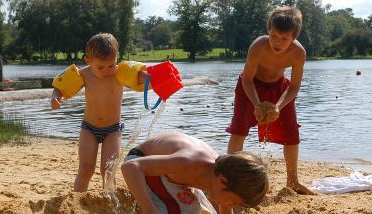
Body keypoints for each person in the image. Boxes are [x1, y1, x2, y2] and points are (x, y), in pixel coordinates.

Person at [225, 6, 315, 195]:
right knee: (238, 129)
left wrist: (278, 106)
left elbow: (294, 87)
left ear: (293, 38)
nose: (277, 42)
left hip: (280, 87)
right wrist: (257, 104)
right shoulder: (258, 46)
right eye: (274, 36)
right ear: (269, 31)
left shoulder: (299, 53)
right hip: (250, 86)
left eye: (284, 38)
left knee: (292, 133)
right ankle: (229, 179)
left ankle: (293, 182)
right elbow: (247, 79)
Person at [50, 33, 150, 192]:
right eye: (100, 67)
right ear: (88, 60)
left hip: (113, 130)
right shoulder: (84, 74)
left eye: (111, 65)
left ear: (117, 57)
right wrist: (56, 98)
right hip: (89, 128)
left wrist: (154, 78)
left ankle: (110, 202)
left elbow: (141, 76)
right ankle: (78, 201)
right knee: (85, 169)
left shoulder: (120, 72)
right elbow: (61, 87)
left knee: (108, 171)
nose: (106, 71)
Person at [121, 132, 269, 214]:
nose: (231, 205)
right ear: (223, 181)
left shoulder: (221, 175)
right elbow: (130, 167)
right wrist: (149, 209)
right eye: (234, 202)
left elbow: (225, 207)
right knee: (184, 210)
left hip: (172, 174)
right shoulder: (188, 162)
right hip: (142, 160)